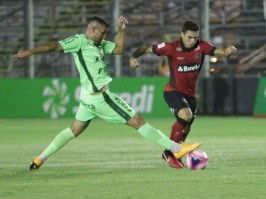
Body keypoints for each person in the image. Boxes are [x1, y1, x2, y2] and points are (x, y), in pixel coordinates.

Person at [13, 16, 201, 170]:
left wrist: (121, 31)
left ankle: (40, 159)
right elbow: (54, 46)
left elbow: (119, 50)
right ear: (92, 29)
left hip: (88, 97)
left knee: (73, 130)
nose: (103, 37)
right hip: (100, 97)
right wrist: (28, 52)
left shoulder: (99, 44)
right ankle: (176, 148)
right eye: (102, 33)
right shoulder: (79, 41)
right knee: (138, 121)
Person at [130, 21, 237, 169]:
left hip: (190, 96)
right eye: (189, 37)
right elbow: (146, 49)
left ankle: (172, 153)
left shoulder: (202, 46)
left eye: (195, 37)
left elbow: (223, 53)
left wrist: (229, 50)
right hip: (172, 91)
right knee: (185, 116)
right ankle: (169, 153)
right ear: (182, 34)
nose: (193, 41)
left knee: (186, 128)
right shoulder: (171, 47)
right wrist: (133, 57)